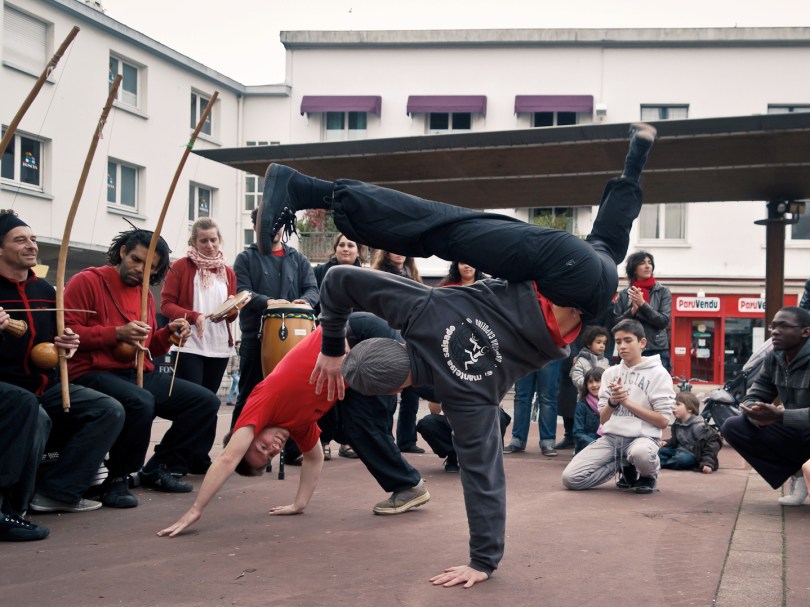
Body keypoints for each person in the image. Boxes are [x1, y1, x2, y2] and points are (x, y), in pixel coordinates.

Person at [255, 123, 657, 587]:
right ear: (389, 344)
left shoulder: (466, 399)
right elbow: (338, 281)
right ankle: (307, 188)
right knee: (441, 229)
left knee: (609, 239)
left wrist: (482, 561)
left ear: (397, 387)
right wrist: (330, 346)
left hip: (593, 302)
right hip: (561, 269)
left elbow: (484, 478)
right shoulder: (419, 314)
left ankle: (638, 155)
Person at [157, 314, 429, 538]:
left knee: (425, 382)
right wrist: (299, 504)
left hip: (351, 333)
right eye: (272, 454)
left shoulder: (264, 401)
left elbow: (228, 458)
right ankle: (408, 485)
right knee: (359, 426)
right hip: (356, 358)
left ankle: (410, 483)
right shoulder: (298, 424)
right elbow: (314, 459)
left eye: (262, 446)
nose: (274, 447)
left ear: (251, 432)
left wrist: (196, 509)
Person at [64, 227, 222, 505]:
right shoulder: (86, 281)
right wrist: (116, 333)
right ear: (123, 252)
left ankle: (159, 467)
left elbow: (150, 348)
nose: (140, 270)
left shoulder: (145, 295)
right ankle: (117, 479)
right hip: (92, 373)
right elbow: (67, 329)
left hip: (136, 372)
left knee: (205, 402)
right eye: (136, 260)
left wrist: (170, 333)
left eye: (150, 267)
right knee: (141, 401)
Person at [0, 210, 124, 514]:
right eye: (20, 240)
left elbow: (56, 343)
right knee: (35, 417)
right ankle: (16, 506)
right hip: (10, 391)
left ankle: (58, 491)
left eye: (33, 239)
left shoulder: (45, 290)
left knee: (109, 409)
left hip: (45, 384)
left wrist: (67, 345)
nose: (31, 245)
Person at [561, 318, 675, 493]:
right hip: (612, 439)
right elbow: (603, 418)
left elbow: (662, 421)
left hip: (643, 438)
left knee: (640, 453)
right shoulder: (610, 373)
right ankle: (623, 463)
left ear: (642, 343)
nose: (622, 346)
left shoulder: (659, 374)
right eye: (619, 341)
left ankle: (648, 475)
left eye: (628, 340)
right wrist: (613, 402)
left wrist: (627, 402)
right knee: (571, 479)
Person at [231, 209, 319, 434]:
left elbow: (312, 289)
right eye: (267, 223)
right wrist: (268, 302)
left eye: (278, 224)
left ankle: (291, 450)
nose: (273, 228)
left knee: (291, 397)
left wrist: (304, 300)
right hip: (256, 336)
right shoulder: (245, 258)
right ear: (256, 227)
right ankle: (236, 448)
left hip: (294, 338)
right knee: (249, 394)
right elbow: (242, 291)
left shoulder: (298, 258)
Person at [160, 217, 237, 474]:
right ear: (193, 242)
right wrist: (195, 316)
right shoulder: (180, 266)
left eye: (213, 239)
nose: (209, 245)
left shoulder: (227, 271)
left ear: (220, 240)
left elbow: (231, 312)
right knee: (193, 403)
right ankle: (177, 459)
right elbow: (167, 305)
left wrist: (232, 310)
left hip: (218, 346)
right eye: (203, 240)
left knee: (210, 404)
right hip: (189, 344)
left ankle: (199, 457)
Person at [721, 306, 810, 506]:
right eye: (773, 327)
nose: (776, 331)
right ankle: (798, 474)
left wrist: (779, 416)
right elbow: (756, 391)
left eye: (784, 326)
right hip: (795, 428)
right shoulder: (775, 357)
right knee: (734, 426)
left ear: (806, 331)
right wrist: (755, 411)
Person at [313, 233, 365, 459]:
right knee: (325, 390)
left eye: (351, 244)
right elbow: (314, 304)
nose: (346, 248)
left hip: (356, 342)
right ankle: (322, 440)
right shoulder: (319, 273)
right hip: (326, 340)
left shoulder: (366, 276)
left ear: (358, 251)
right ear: (334, 249)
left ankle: (347, 441)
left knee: (351, 393)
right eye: (341, 244)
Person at [370, 250, 424, 454]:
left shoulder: (412, 273)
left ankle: (407, 440)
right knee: (390, 389)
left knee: (413, 390)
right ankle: (386, 439)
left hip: (411, 334)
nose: (400, 253)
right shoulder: (379, 274)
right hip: (387, 331)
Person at [613, 250, 672, 370]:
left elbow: (664, 321)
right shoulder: (624, 294)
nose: (647, 266)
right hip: (630, 348)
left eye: (649, 263)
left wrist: (643, 304)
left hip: (656, 349)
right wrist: (632, 311)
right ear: (634, 269)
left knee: (657, 387)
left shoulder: (662, 291)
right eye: (642, 263)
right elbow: (615, 324)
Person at [417, 402, 511, 473]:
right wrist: (438, 395)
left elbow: (499, 403)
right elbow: (434, 410)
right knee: (427, 423)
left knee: (499, 414)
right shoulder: (446, 378)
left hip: (480, 418)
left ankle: (489, 457)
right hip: (454, 420)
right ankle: (454, 456)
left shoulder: (485, 377)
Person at [503, 362, 562, 456]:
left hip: (550, 351)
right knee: (521, 396)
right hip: (524, 352)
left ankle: (548, 441)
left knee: (548, 397)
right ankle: (518, 440)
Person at [659, 392, 721, 473]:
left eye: (678, 404)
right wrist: (667, 442)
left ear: (689, 409)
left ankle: (662, 463)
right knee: (661, 451)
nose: (673, 407)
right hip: (678, 450)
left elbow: (711, 446)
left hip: (693, 455)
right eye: (673, 404)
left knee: (682, 459)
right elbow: (676, 440)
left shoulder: (699, 426)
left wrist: (708, 463)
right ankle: (664, 462)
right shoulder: (677, 423)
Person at [572, 367, 604, 453]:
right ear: (586, 385)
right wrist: (595, 444)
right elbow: (578, 432)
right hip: (587, 447)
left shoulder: (613, 403)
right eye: (590, 382)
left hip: (608, 445)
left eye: (597, 381)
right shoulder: (582, 404)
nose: (594, 385)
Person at [570, 325, 610, 391]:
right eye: (598, 342)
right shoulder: (581, 360)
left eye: (604, 343)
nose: (602, 346)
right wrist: (589, 386)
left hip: (601, 397)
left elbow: (608, 377)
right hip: (585, 397)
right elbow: (576, 378)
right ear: (589, 344)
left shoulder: (605, 361)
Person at [225, 341, 241, 406]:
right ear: (236, 345)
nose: (240, 346)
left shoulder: (240, 353)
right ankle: (238, 400)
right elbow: (229, 363)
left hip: (238, 372)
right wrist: (228, 373)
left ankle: (229, 400)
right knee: (238, 383)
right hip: (233, 371)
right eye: (239, 345)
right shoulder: (233, 353)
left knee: (234, 386)